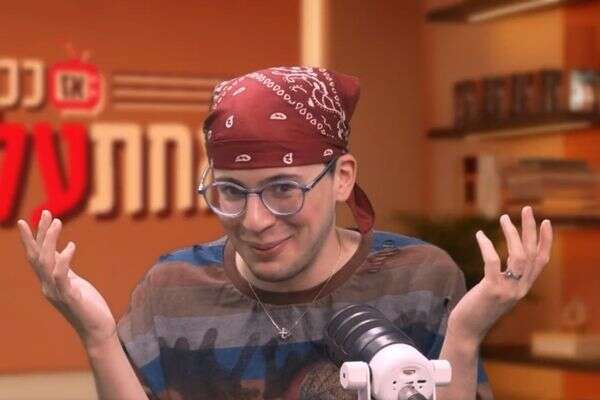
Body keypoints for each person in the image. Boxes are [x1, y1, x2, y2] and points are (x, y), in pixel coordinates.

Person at [17, 66, 553, 400]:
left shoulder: (418, 279)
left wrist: (464, 337)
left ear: (342, 178)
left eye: (282, 189)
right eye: (230, 191)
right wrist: (97, 337)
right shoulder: (171, 287)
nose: (254, 221)